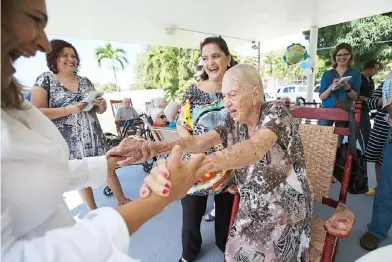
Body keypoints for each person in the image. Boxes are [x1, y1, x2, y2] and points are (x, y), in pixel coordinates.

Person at [1, 1, 213, 260]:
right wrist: (156, 201)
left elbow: (35, 172)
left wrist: (110, 160)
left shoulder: (11, 96)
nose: (45, 43)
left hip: (91, 143)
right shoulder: (43, 81)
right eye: (35, 20)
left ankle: (119, 195)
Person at [108, 64, 313, 261]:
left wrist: (194, 170)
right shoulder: (234, 120)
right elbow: (200, 141)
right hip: (252, 204)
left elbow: (254, 148)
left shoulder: (276, 113)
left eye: (232, 94)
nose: (226, 102)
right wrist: (153, 147)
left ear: (255, 95)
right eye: (224, 96)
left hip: (285, 209)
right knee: (234, 254)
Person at [31, 39, 130, 209]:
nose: (71, 59)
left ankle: (122, 200)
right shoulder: (45, 80)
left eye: (74, 56)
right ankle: (93, 211)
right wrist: (69, 110)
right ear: (54, 58)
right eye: (64, 55)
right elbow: (36, 112)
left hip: (94, 136)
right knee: (82, 176)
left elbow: (100, 110)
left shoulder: (85, 81)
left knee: (108, 167)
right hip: (69, 143)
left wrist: (101, 105)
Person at [175, 36, 237, 262]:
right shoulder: (193, 91)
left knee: (226, 213)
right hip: (196, 165)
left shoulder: (238, 88)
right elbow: (182, 124)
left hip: (230, 165)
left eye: (216, 56)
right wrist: (196, 149)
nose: (210, 62)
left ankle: (225, 245)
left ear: (228, 58)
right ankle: (189, 253)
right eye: (205, 58)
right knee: (191, 214)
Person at [360, 72, 392, 251]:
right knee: (387, 184)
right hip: (386, 130)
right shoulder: (388, 80)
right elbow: (375, 103)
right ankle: (377, 229)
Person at [318, 43, 361, 126]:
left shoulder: (356, 73)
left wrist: (347, 88)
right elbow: (322, 97)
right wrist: (332, 86)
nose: (342, 57)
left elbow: (356, 97)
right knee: (323, 136)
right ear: (335, 57)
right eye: (339, 55)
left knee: (339, 138)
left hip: (345, 110)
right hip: (327, 110)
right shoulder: (327, 74)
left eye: (345, 54)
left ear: (350, 56)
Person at [365, 80, 391, 195]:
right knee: (372, 154)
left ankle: (383, 188)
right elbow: (371, 103)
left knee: (386, 158)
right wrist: (385, 100)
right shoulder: (387, 83)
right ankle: (373, 185)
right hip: (381, 127)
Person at [359, 60, 380, 146]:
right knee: (366, 133)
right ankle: (367, 155)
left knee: (366, 132)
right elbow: (353, 94)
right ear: (368, 68)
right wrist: (364, 98)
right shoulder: (359, 78)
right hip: (358, 109)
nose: (376, 72)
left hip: (367, 109)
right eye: (375, 69)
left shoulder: (371, 80)